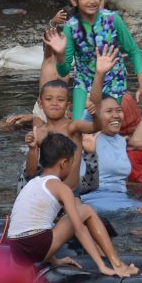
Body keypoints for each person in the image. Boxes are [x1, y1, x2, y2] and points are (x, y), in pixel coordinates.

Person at [8, 132, 139, 277]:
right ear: (64, 163)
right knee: (86, 210)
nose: (71, 168)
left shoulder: (33, 183)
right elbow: (79, 229)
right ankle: (118, 264)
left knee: (48, 223)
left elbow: (34, 224)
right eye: (71, 163)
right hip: (36, 247)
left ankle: (53, 259)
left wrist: (55, 260)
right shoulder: (62, 188)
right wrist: (101, 266)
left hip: (17, 251)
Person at [43, 0, 142, 120]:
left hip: (113, 80)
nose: (92, 1)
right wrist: (60, 54)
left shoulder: (113, 19)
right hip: (84, 82)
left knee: (107, 125)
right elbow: (64, 71)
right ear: (74, 1)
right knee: (79, 125)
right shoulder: (71, 27)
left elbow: (133, 51)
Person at [78, 47, 142, 215]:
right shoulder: (90, 132)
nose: (116, 115)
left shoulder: (119, 140)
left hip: (121, 199)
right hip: (93, 201)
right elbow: (94, 103)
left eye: (118, 110)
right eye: (109, 112)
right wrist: (100, 75)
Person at [20, 49, 112, 192]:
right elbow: (31, 173)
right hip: (47, 196)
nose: (55, 103)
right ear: (40, 103)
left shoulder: (73, 127)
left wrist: (94, 115)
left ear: (68, 105)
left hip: (71, 193)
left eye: (61, 100)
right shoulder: (39, 132)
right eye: (49, 99)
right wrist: (32, 149)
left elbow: (96, 127)